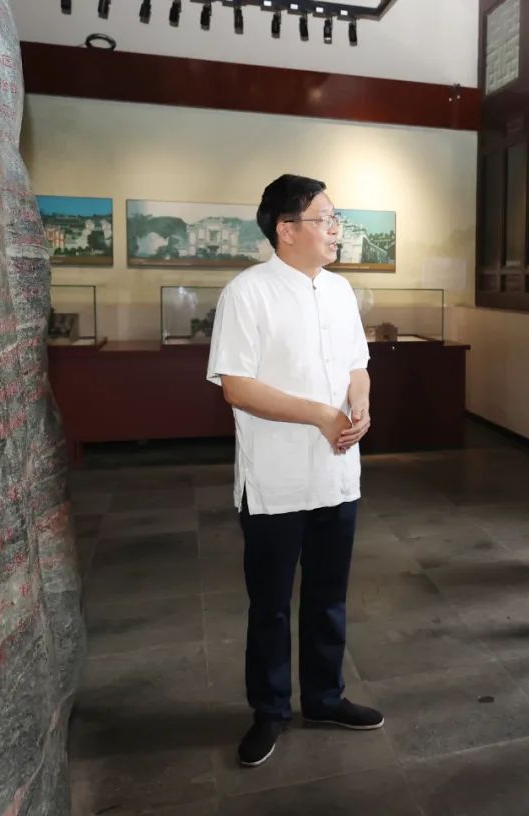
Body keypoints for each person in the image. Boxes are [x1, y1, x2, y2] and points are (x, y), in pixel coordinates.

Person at [207, 174, 384, 768]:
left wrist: (360, 403)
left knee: (329, 597)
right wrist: (320, 415)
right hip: (275, 480)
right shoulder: (247, 293)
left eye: (336, 219)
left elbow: (357, 365)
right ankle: (270, 709)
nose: (336, 230)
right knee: (272, 604)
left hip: (336, 473)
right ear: (286, 229)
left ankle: (326, 698)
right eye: (325, 219)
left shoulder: (339, 291)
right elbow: (236, 386)